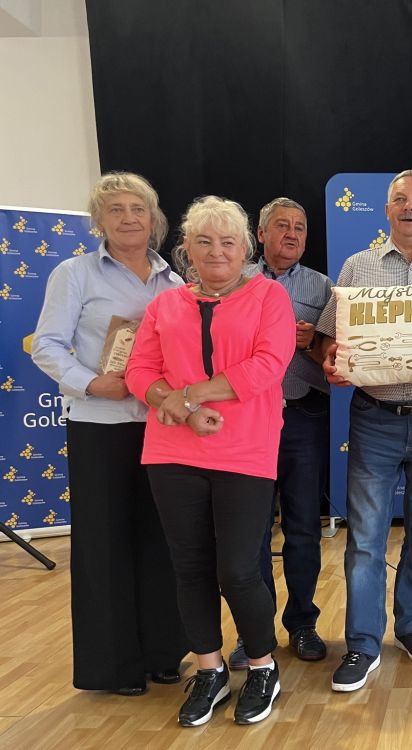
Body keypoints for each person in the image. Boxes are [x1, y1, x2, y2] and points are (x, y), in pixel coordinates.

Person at [126, 196, 295, 726]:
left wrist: (190, 396)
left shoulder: (269, 296)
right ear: (187, 249)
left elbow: (268, 364)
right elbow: (139, 370)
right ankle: (210, 669)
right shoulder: (164, 304)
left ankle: (263, 666)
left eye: (227, 242)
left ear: (246, 249)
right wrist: (177, 405)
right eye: (204, 241)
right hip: (171, 450)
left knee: (239, 569)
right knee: (190, 566)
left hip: (246, 451)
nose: (216, 251)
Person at [31, 172, 187, 697]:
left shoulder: (174, 282)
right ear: (98, 220)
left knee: (160, 540)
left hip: (161, 429)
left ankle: (164, 653)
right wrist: (91, 382)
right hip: (100, 426)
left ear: (153, 218)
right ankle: (116, 666)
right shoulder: (74, 274)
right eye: (115, 209)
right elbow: (46, 345)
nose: (128, 218)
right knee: (105, 545)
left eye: (137, 209)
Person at [317, 169, 412, 693]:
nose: (410, 207)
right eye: (400, 200)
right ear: (387, 211)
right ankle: (363, 645)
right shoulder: (356, 266)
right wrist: (330, 359)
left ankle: (411, 627)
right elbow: (328, 338)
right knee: (365, 539)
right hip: (374, 418)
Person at [227, 198, 333, 671]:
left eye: (300, 228)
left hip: (303, 417)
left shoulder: (323, 287)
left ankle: (303, 624)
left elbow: (335, 359)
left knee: (303, 527)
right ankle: (256, 633)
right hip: (245, 420)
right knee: (249, 531)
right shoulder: (235, 279)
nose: (292, 234)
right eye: (282, 226)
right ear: (260, 233)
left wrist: (311, 345)